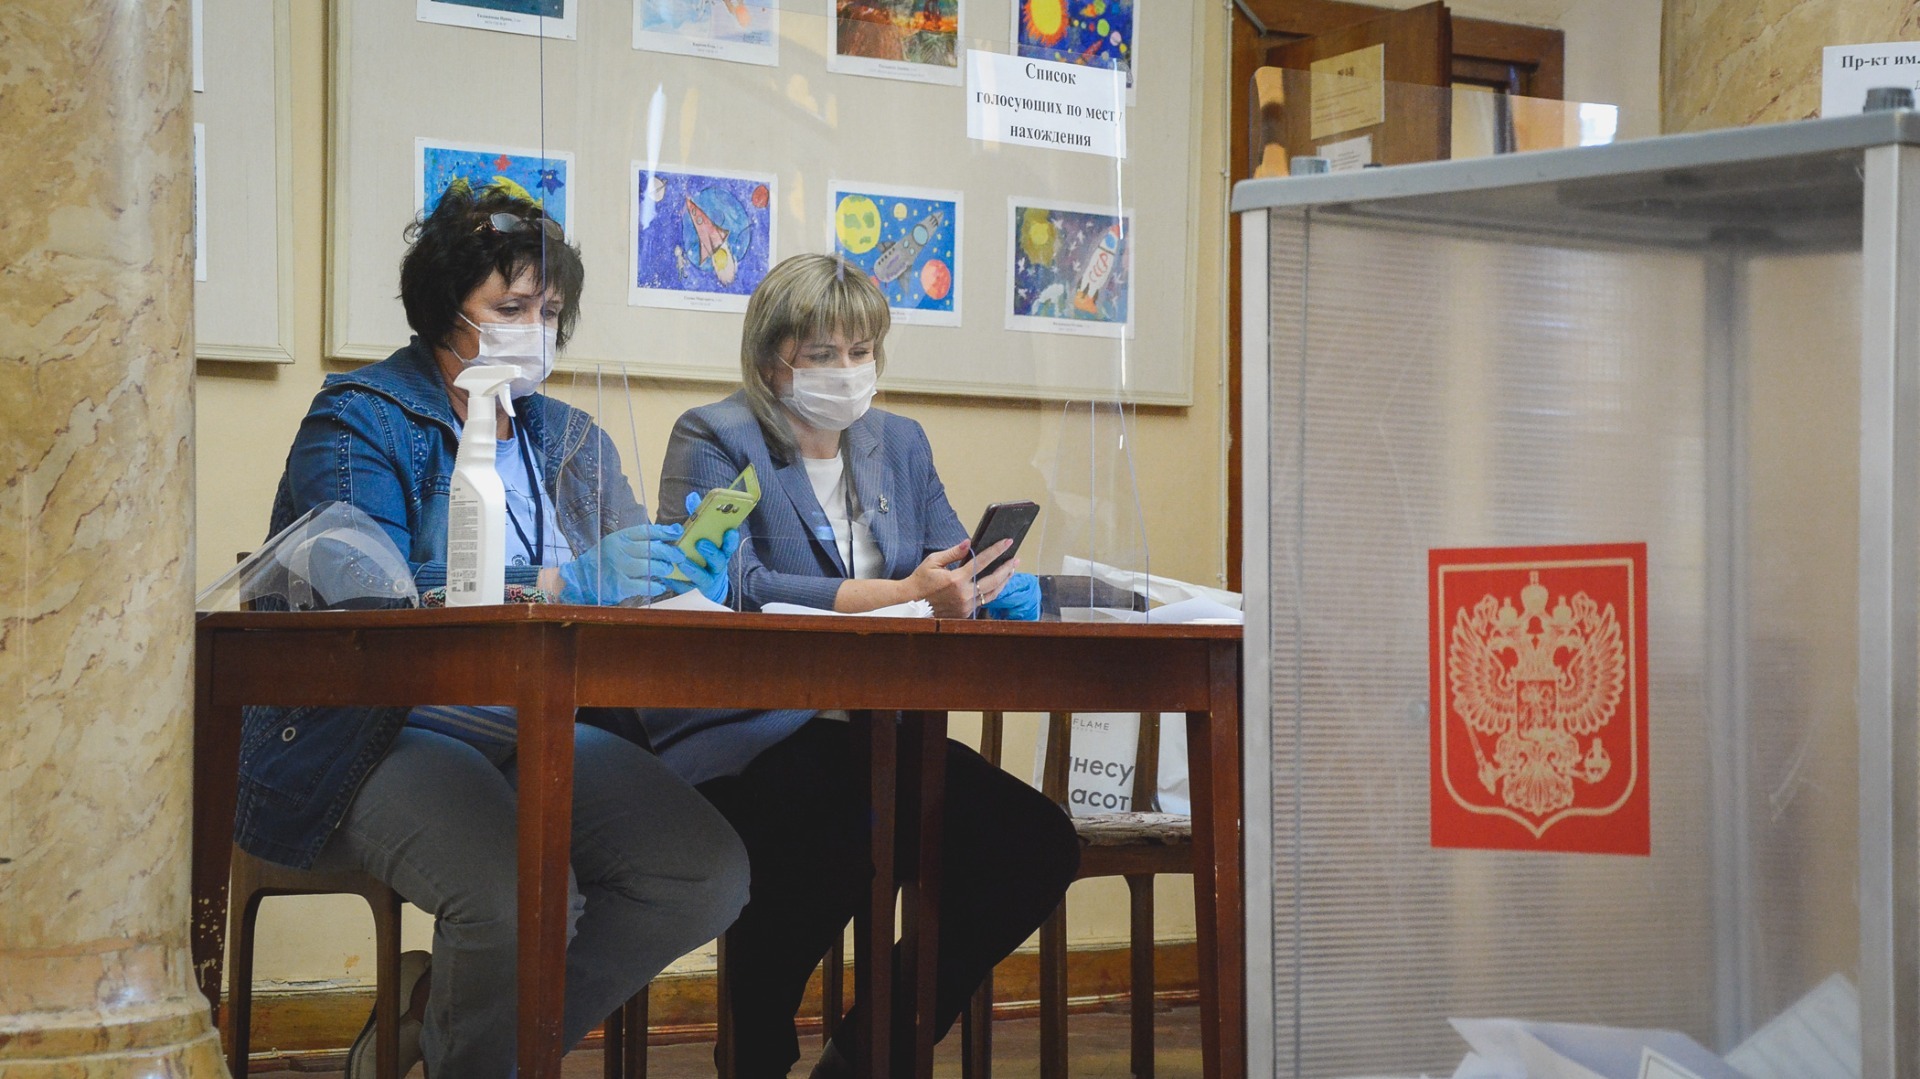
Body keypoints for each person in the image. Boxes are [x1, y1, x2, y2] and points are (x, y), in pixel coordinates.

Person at [234, 181, 750, 1078]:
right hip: (370, 726)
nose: (534, 331)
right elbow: (365, 598)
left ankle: (445, 1025)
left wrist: (677, 573)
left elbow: (624, 577)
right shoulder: (359, 416)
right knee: (518, 898)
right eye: (511, 308)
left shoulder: (570, 438)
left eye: (549, 312)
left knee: (701, 871)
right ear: (446, 308)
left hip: (534, 721)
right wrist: (555, 584)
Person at [634, 253, 1078, 1078]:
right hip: (752, 736)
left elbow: (947, 560)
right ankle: (757, 1051)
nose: (847, 370)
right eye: (822, 353)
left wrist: (975, 586)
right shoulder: (715, 436)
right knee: (837, 829)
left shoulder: (898, 442)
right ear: (772, 359)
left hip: (880, 733)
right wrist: (901, 593)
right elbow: (734, 585)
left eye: (861, 351)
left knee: (1036, 843)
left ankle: (869, 1051)